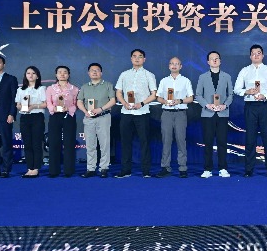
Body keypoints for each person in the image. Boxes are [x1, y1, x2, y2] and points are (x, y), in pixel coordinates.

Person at [234, 44, 267, 177]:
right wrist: (247, 91)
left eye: (258, 53)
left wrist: (265, 96)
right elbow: (236, 89)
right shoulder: (244, 71)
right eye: (253, 53)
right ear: (250, 56)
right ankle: (249, 169)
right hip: (250, 107)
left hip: (265, 106)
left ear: (262, 55)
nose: (256, 55)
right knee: (250, 138)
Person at [115, 49, 157, 178]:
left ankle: (146, 171)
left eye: (140, 56)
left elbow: (154, 94)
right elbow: (118, 92)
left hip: (142, 112)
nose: (137, 58)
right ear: (131, 59)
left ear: (144, 59)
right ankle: (125, 170)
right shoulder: (124, 74)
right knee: (125, 142)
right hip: (126, 112)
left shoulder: (149, 75)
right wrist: (124, 103)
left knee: (144, 142)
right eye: (134, 56)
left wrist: (142, 103)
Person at [195, 51, 233, 178]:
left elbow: (231, 95)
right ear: (208, 62)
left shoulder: (227, 76)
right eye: (212, 59)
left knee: (222, 141)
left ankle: (223, 168)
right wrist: (207, 105)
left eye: (217, 58)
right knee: (208, 142)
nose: (215, 60)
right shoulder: (202, 77)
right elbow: (198, 95)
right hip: (208, 113)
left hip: (222, 113)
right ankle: (207, 169)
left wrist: (225, 105)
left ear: (220, 61)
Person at [155, 57, 194, 178]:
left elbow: (191, 98)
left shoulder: (186, 81)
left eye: (177, 64)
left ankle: (182, 168)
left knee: (181, 140)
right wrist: (165, 101)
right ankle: (165, 167)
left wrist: (179, 101)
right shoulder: (164, 81)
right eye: (172, 63)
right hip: (166, 112)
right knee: (166, 140)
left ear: (180, 66)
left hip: (180, 112)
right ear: (169, 66)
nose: (174, 65)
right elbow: (158, 97)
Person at [77, 63, 116, 178]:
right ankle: (91, 168)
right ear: (88, 73)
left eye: (97, 70)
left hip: (103, 117)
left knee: (104, 144)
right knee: (90, 144)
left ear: (101, 73)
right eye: (92, 70)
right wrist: (85, 111)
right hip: (89, 118)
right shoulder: (84, 87)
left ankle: (104, 168)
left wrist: (100, 109)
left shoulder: (108, 85)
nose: (94, 72)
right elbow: (79, 101)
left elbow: (113, 100)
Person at [45, 65, 79, 178]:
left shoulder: (74, 89)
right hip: (55, 116)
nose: (62, 74)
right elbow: (48, 102)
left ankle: (69, 170)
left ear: (68, 75)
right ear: (56, 75)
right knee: (54, 143)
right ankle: (54, 170)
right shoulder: (50, 88)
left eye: (65, 72)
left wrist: (68, 109)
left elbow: (76, 104)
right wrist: (52, 109)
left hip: (69, 116)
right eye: (60, 72)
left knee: (69, 143)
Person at [15, 66, 46, 178]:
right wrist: (22, 108)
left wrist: (33, 106)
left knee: (36, 143)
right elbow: (18, 104)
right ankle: (29, 168)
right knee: (27, 143)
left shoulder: (42, 88)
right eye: (28, 73)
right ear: (25, 75)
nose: (31, 75)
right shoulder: (20, 89)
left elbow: (45, 104)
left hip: (37, 117)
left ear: (37, 76)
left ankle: (36, 168)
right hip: (24, 117)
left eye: (33, 73)